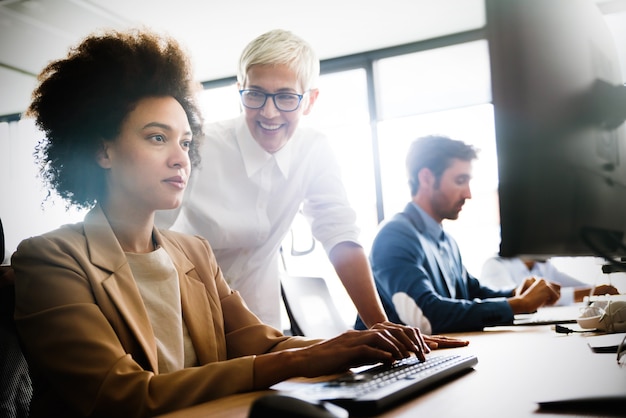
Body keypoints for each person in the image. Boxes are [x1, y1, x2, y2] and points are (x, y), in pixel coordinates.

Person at [10, 29, 439, 418]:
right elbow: (122, 396)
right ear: (102, 151)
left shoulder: (193, 252)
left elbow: (268, 345)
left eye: (185, 141)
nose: (182, 158)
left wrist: (374, 343)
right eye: (157, 138)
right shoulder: (48, 259)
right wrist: (300, 359)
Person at [157, 29, 386, 330]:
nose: (269, 112)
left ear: (309, 100)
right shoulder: (199, 146)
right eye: (255, 94)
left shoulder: (313, 150)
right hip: (185, 314)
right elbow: (150, 233)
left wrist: (380, 324)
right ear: (240, 90)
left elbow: (339, 233)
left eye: (286, 97)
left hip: (258, 320)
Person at [356, 135, 562, 334]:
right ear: (426, 178)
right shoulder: (394, 236)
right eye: (460, 180)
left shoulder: (445, 240)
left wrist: (516, 293)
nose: (468, 194)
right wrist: (519, 304)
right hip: (397, 366)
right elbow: (427, 317)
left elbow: (472, 292)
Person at [481, 256, 619, 305]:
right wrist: (592, 292)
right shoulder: (496, 265)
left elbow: (576, 286)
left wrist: (597, 289)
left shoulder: (543, 265)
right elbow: (518, 301)